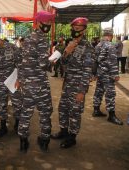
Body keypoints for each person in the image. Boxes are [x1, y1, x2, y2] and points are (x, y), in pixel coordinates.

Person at [51, 17, 95, 149]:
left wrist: (82, 91)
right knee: (63, 109)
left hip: (78, 85)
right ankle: (64, 131)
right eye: (73, 28)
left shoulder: (88, 47)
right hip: (68, 83)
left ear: (84, 30)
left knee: (75, 112)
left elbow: (87, 71)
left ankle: (72, 137)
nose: (74, 31)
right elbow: (63, 64)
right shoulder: (70, 44)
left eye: (77, 29)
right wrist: (66, 52)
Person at [15, 11, 54, 153]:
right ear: (38, 23)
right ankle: (44, 141)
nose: (48, 25)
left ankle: (23, 142)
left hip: (26, 85)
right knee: (45, 112)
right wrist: (53, 62)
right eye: (47, 22)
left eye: (50, 23)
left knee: (25, 113)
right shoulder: (42, 39)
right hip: (40, 85)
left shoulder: (27, 38)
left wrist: (20, 79)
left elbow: (21, 62)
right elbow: (44, 64)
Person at [92, 28, 123, 125]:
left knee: (99, 91)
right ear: (111, 35)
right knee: (110, 93)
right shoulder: (110, 46)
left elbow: (95, 60)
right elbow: (113, 61)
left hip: (100, 73)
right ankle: (111, 115)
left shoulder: (98, 45)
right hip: (108, 74)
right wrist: (115, 75)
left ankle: (96, 110)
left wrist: (95, 73)